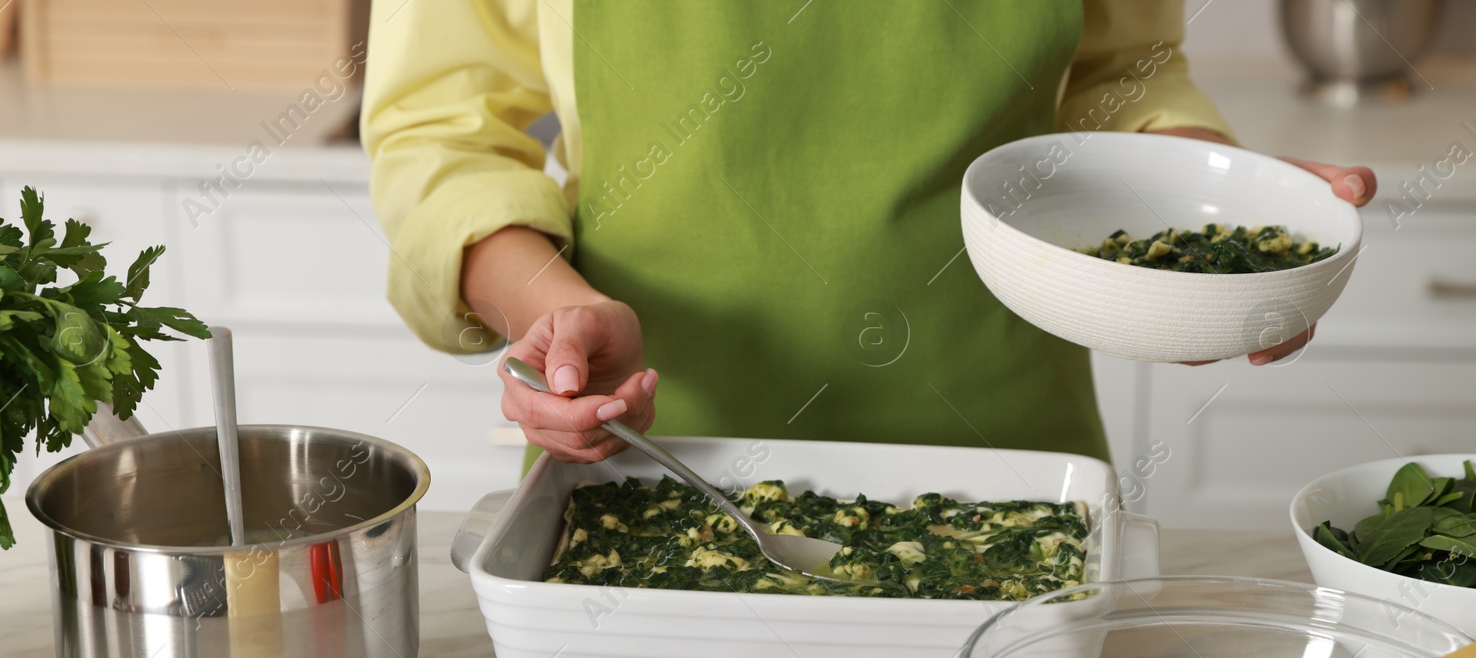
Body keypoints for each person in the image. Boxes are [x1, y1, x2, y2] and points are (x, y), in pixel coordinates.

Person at [362, 0, 1376, 466]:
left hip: (1009, 458)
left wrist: (1200, 234)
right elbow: (440, 131)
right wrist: (557, 310)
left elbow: (1119, 70)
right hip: (653, 444)